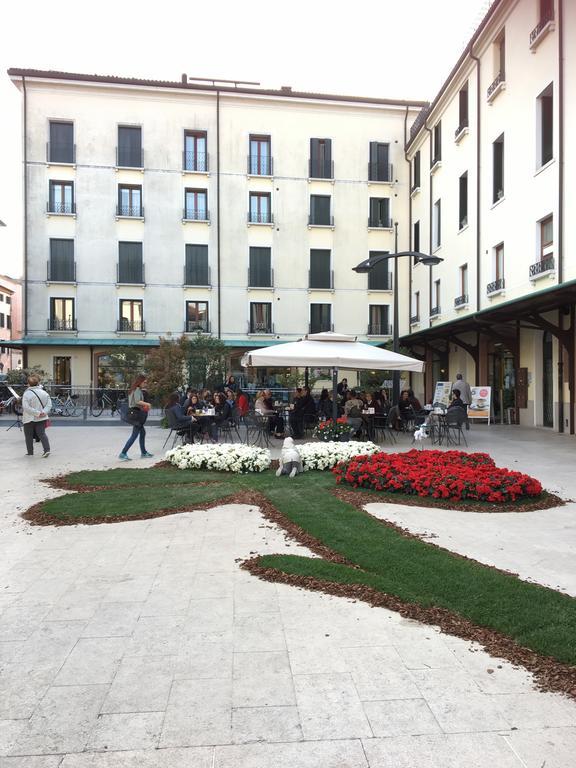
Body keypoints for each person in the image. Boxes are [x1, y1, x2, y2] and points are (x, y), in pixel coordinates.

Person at [119, 374, 153, 461]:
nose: (145, 384)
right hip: (136, 414)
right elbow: (137, 401)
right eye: (144, 382)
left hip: (134, 414)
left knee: (142, 433)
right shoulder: (137, 389)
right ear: (140, 382)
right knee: (134, 435)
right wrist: (147, 404)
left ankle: (144, 452)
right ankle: (123, 453)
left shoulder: (133, 389)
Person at [21, 374, 52, 458]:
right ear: (38, 383)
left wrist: (37, 413)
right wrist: (43, 412)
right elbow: (49, 405)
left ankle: (30, 452)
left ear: (28, 384)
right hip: (42, 418)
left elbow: (26, 407)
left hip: (29, 418)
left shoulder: (27, 394)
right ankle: (47, 450)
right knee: (42, 434)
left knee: (28, 436)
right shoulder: (44, 393)